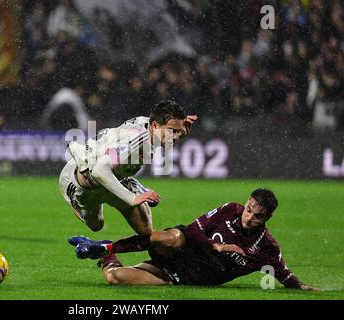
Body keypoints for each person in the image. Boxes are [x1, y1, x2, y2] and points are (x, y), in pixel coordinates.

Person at [69, 188, 321, 291]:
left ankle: (106, 255)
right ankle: (107, 244)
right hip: (179, 251)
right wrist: (216, 245)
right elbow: (192, 231)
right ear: (245, 204)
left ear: (267, 218)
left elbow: (284, 274)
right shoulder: (230, 210)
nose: (248, 218)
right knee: (175, 237)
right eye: (248, 210)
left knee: (116, 278)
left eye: (257, 217)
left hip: (181, 277)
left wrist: (301, 288)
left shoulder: (266, 247)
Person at [59, 99, 197, 235]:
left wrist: (182, 130)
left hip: (112, 177)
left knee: (146, 230)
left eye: (178, 132)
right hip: (83, 184)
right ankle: (78, 203)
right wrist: (132, 198)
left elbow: (167, 128)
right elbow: (99, 171)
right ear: (154, 126)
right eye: (172, 131)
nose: (176, 137)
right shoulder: (136, 139)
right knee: (97, 226)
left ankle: (127, 182)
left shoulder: (151, 127)